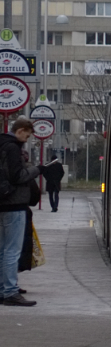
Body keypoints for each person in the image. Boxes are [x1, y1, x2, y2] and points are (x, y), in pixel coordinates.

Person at [0, 118, 38, 307]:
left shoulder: (1, 144)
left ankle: (2, 289)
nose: (27, 139)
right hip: (14, 204)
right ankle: (10, 292)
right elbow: (17, 176)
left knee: (1, 250)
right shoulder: (13, 148)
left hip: (2, 203)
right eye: (28, 135)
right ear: (21, 130)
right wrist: (36, 170)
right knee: (11, 251)